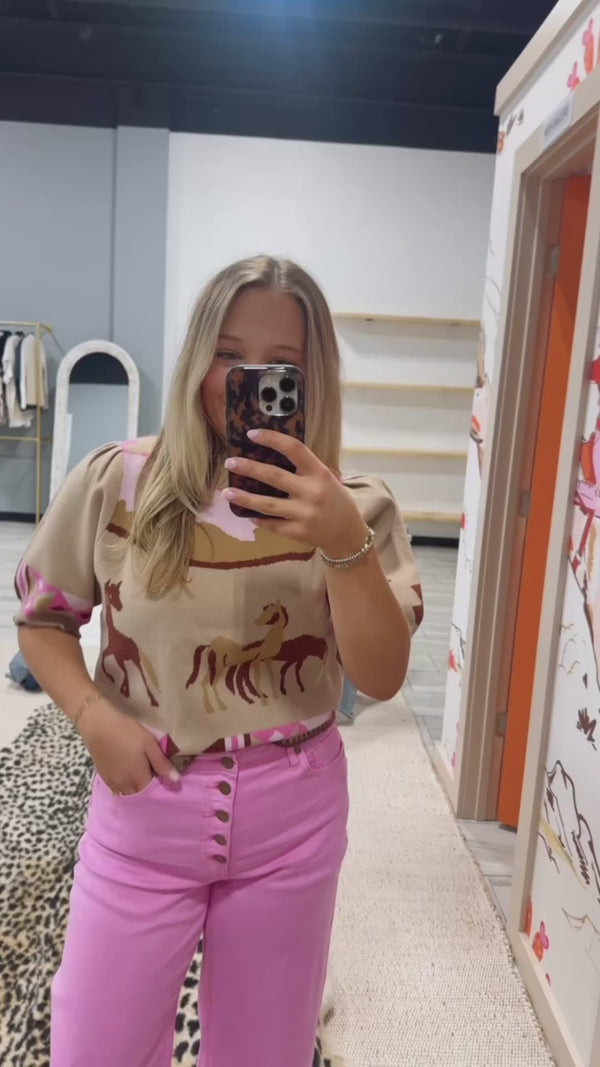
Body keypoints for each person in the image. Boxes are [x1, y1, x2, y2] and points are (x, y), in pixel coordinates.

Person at [15, 255, 423, 1067]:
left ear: (311, 379)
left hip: (294, 820)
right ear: (197, 356)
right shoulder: (116, 483)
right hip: (143, 808)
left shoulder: (358, 509)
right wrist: (93, 717)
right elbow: (42, 619)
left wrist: (344, 543)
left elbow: (380, 676)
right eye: (228, 354)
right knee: (93, 1049)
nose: (246, 380)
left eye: (281, 364)